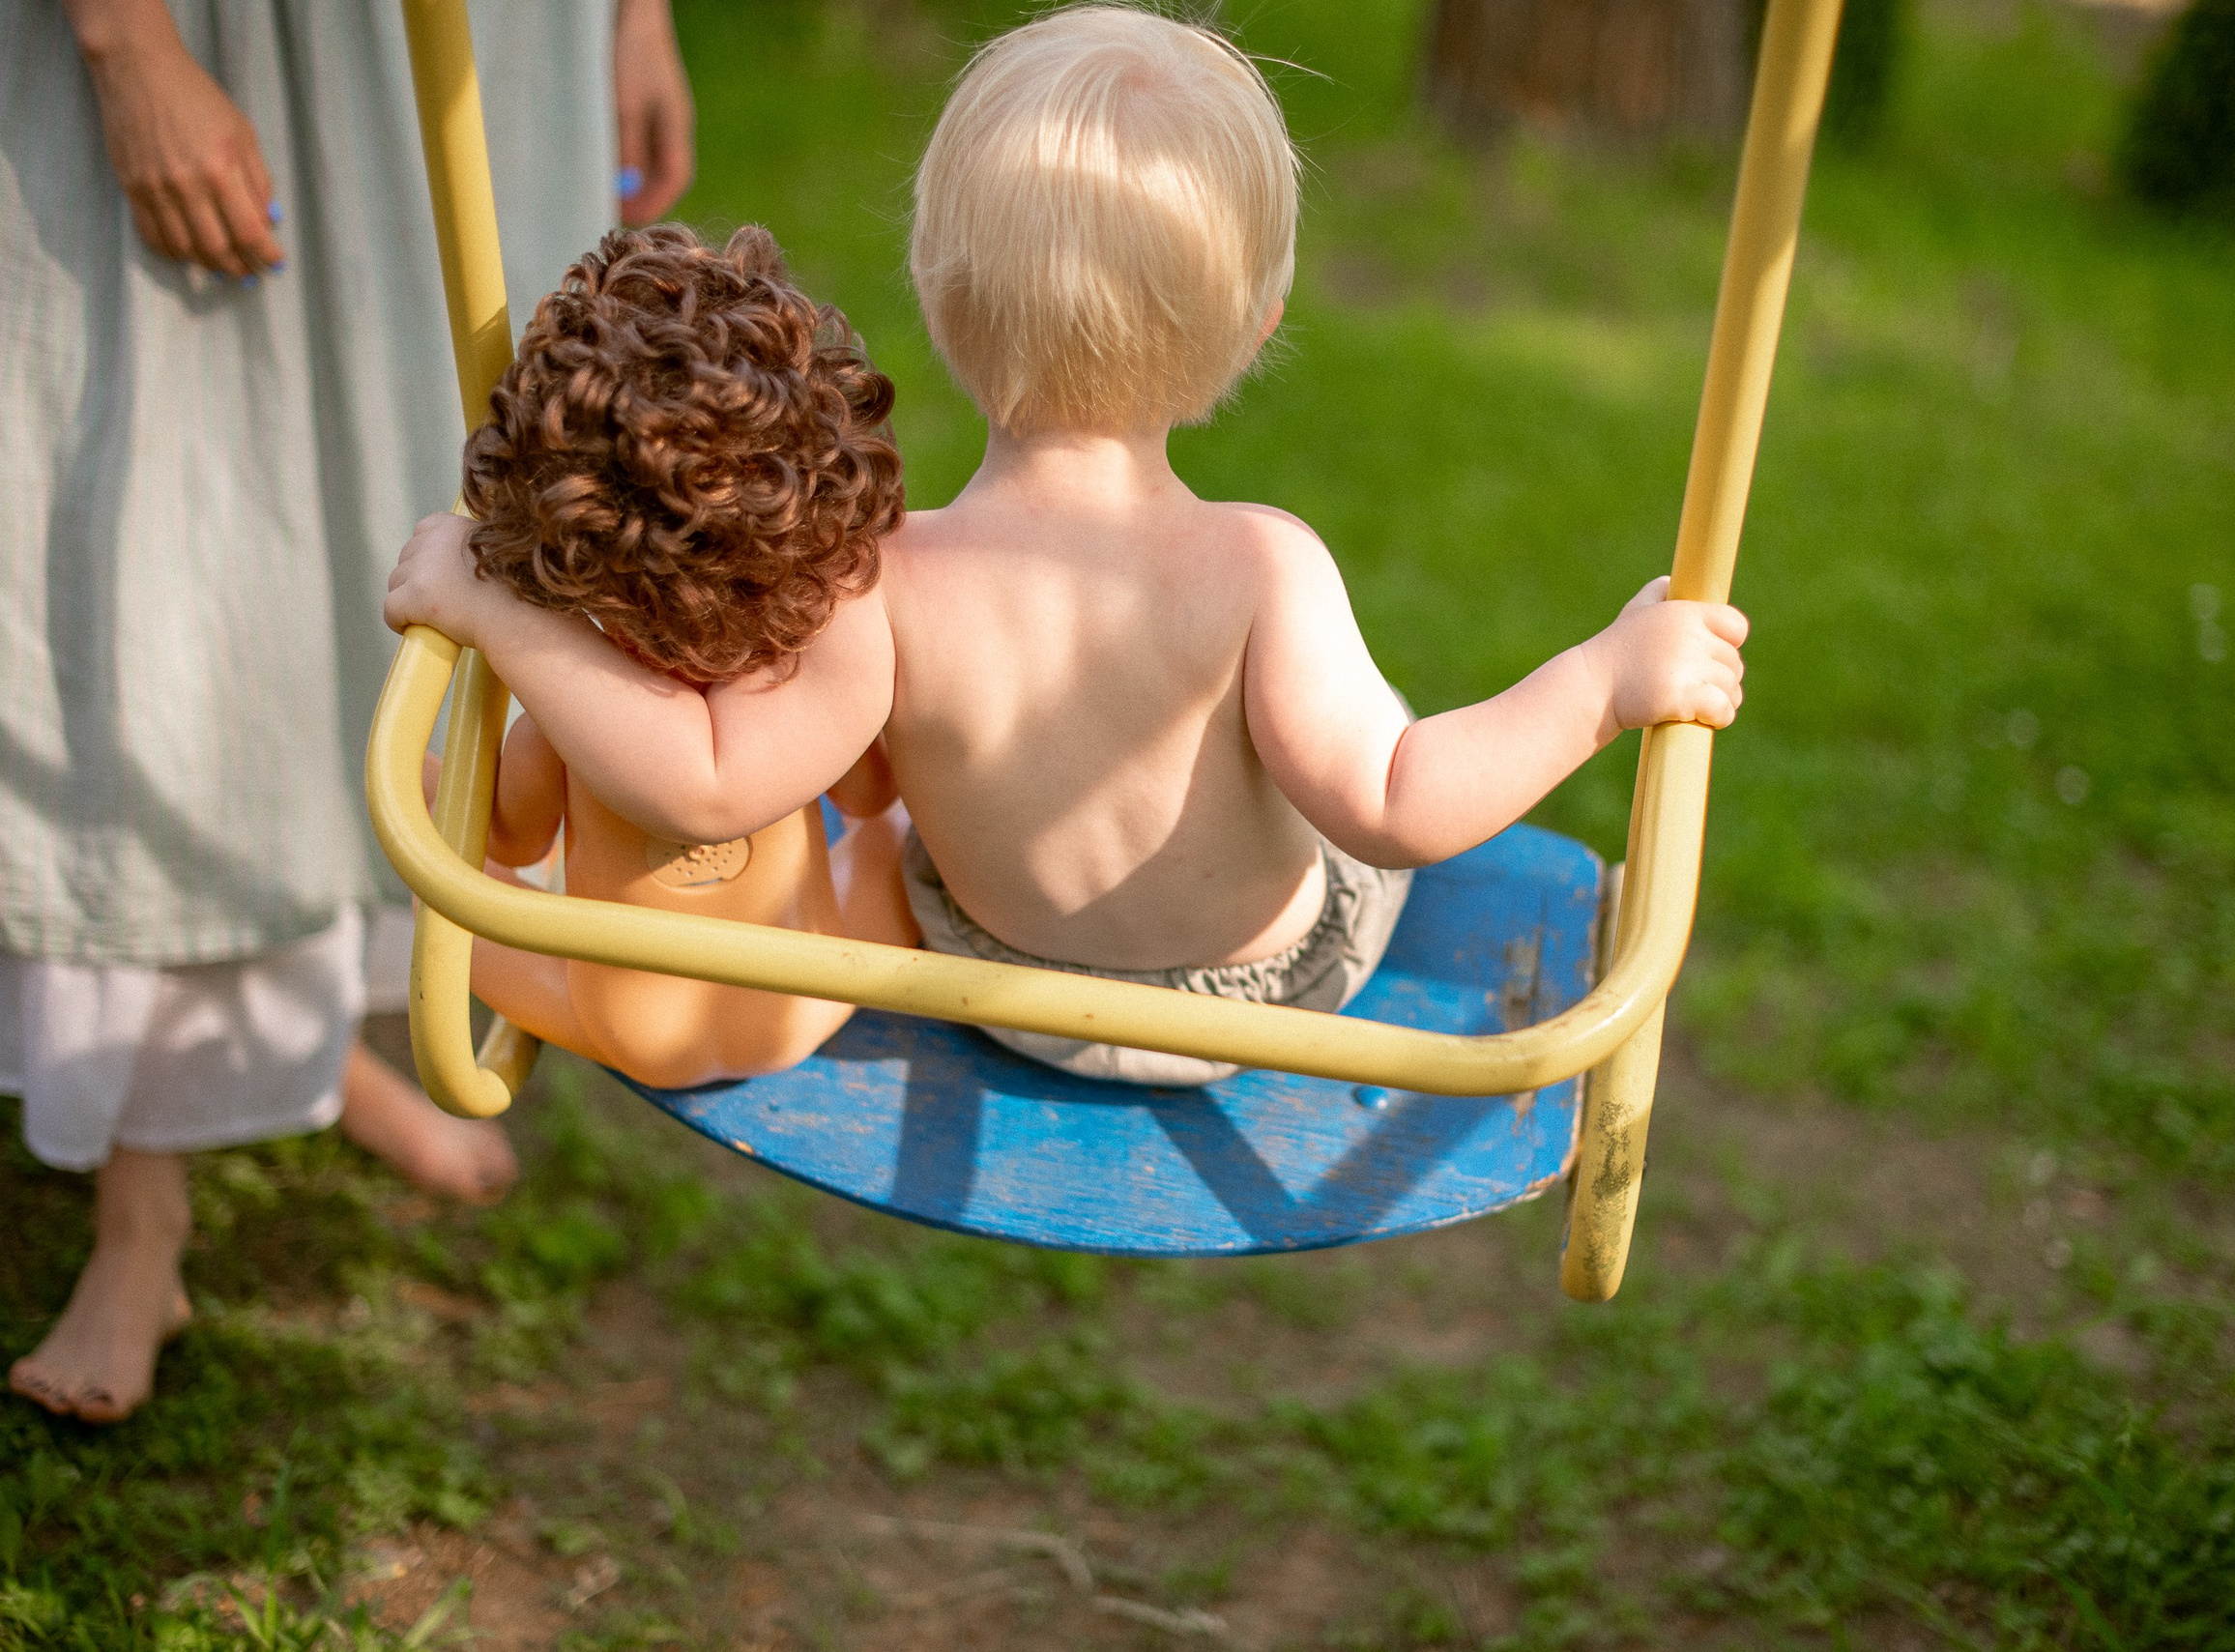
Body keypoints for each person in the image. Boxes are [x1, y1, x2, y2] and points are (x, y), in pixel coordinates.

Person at [383, 3, 1748, 1087]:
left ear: (931, 284)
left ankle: (643, 997)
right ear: (1254, 327)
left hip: (994, 972)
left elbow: (713, 785)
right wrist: (1607, 682)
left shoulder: (884, 582)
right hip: (1266, 1003)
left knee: (874, 823)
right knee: (1368, 730)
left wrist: (509, 606)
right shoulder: (1264, 568)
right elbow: (1400, 806)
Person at [0, 0, 690, 1423]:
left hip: (492, 42)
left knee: (449, 477)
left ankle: (322, 1027)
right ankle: (146, 1220)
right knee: (201, 527)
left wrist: (636, 18)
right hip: (232, 33)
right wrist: (128, 47)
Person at [449, 224, 917, 1087]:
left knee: (446, 894)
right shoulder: (807, 666)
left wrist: (487, 635)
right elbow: (868, 791)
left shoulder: (576, 714)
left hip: (628, 1029)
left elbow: (512, 840)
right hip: (808, 1000)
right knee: (891, 851)